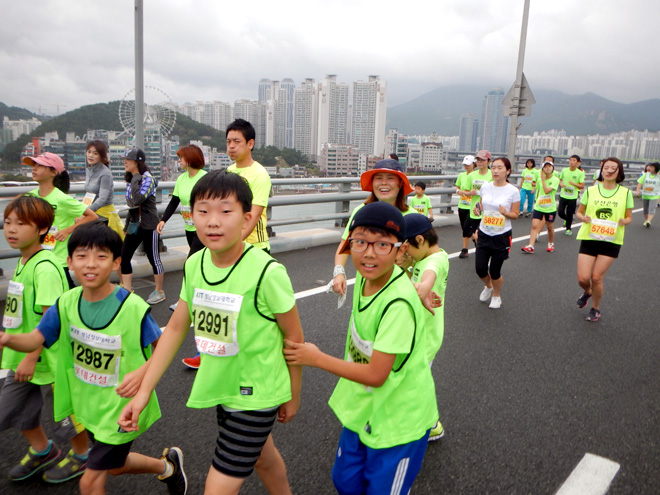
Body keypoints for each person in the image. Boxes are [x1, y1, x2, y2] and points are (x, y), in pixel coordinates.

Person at [118, 170, 304, 495]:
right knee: (263, 457)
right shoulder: (195, 264)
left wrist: (294, 392)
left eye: (225, 211)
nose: (212, 222)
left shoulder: (267, 272)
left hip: (256, 394)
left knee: (218, 485)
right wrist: (145, 389)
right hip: (223, 385)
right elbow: (177, 327)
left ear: (247, 219)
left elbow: (294, 339)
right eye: (202, 211)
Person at [0, 222, 187, 495]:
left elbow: (164, 347)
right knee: (115, 466)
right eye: (82, 256)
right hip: (87, 405)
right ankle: (167, 467)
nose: (90, 264)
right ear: (69, 262)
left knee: (90, 482)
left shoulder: (132, 307)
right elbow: (34, 339)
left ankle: (166, 467)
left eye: (101, 256)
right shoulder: (65, 303)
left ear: (116, 263)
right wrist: (7, 339)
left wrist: (142, 373)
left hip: (121, 408)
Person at [284, 201, 438, 494]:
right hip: (365, 407)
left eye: (382, 244)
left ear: (400, 250)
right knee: (345, 481)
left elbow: (376, 375)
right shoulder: (368, 278)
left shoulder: (397, 304)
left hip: (398, 420)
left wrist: (315, 358)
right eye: (360, 242)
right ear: (349, 245)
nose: (369, 252)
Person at [1, 195, 89, 484]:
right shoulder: (24, 260)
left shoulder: (45, 267)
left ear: (41, 229)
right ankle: (43, 450)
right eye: (7, 222)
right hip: (23, 354)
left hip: (48, 358)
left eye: (20, 223)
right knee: (16, 408)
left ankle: (82, 456)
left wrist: (30, 356)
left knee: (65, 413)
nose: (11, 229)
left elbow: (50, 318)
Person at [181, 119, 271, 369]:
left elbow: (252, 216)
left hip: (253, 248)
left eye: (236, 141)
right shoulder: (228, 173)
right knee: (217, 304)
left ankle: (256, 353)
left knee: (249, 308)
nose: (231, 146)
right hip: (226, 249)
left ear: (250, 144)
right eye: (228, 141)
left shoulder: (259, 174)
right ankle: (208, 351)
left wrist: (228, 248)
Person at [331, 158, 414, 297]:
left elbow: (425, 256)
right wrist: (338, 273)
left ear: (400, 183)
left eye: (390, 178)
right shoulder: (361, 212)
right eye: (379, 178)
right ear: (372, 183)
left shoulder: (413, 217)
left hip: (400, 290)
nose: (383, 183)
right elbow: (345, 245)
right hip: (365, 288)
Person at [401, 213, 448, 442]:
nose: (406, 252)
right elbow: (415, 279)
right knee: (414, 379)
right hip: (416, 332)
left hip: (426, 336)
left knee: (417, 382)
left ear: (420, 240)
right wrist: (407, 268)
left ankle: (431, 425)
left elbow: (428, 278)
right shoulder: (422, 258)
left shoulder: (436, 260)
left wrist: (423, 288)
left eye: (407, 247)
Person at [24, 152, 98, 288]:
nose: (34, 168)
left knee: (64, 292)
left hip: (58, 258)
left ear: (53, 172)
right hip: (37, 255)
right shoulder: (30, 196)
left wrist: (67, 230)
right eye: (34, 165)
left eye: (40, 165)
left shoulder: (62, 199)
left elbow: (92, 216)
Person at [575, 157, 633, 322]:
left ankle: (595, 308)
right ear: (601, 170)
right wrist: (583, 218)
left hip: (611, 240)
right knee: (582, 278)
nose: (608, 171)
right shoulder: (591, 190)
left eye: (613, 168)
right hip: (590, 237)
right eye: (606, 167)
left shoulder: (626, 193)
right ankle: (588, 292)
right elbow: (579, 212)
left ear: (619, 172)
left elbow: (629, 217)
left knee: (596, 277)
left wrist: (623, 221)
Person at [120, 148, 166, 305]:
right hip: (134, 224)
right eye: (125, 159)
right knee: (124, 255)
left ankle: (159, 291)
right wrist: (126, 227)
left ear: (138, 162)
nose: (125, 162)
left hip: (149, 225)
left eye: (128, 159)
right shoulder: (131, 179)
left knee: (153, 257)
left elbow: (138, 199)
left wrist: (135, 178)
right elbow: (131, 205)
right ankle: (127, 290)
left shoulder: (148, 179)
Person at [473, 157, 520, 309]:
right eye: (493, 167)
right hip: (484, 232)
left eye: (500, 168)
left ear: (508, 171)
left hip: (502, 235)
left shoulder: (513, 191)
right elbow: (482, 205)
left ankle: (496, 295)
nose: (495, 171)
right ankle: (489, 286)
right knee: (480, 268)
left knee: (494, 270)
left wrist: (505, 213)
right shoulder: (485, 187)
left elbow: (515, 214)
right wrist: (478, 210)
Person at [157, 144, 208, 256]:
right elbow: (174, 202)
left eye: (181, 157)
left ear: (190, 158)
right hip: (188, 226)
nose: (179, 160)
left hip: (203, 227)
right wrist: (163, 220)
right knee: (200, 259)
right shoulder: (181, 179)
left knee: (192, 259)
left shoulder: (205, 178)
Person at [84, 140, 125, 239]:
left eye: (95, 153)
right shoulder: (89, 170)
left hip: (103, 216)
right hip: (92, 212)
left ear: (101, 156)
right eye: (89, 152)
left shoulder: (105, 173)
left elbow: (102, 198)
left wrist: (85, 211)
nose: (90, 155)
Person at [521, 161, 560, 254]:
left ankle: (550, 243)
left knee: (549, 227)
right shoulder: (539, 180)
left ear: (553, 168)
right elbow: (538, 190)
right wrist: (536, 199)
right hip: (539, 206)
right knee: (534, 225)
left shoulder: (555, 180)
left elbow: (547, 191)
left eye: (549, 166)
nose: (548, 168)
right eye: (545, 167)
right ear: (542, 169)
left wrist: (542, 180)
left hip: (550, 207)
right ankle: (531, 246)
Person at [558, 155, 585, 236]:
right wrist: (561, 184)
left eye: (574, 160)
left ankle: (568, 228)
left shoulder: (580, 173)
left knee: (570, 213)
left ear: (577, 162)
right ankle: (567, 220)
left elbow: (582, 186)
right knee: (560, 212)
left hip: (572, 197)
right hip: (563, 195)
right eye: (570, 160)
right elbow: (559, 179)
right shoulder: (564, 170)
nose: (572, 162)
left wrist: (574, 184)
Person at [455, 155, 476, 259]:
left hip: (472, 206)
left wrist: (469, 193)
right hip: (462, 204)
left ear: (474, 164)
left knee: (467, 228)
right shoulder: (461, 175)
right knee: (464, 227)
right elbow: (457, 186)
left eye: (468, 164)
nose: (466, 166)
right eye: (465, 165)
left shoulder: (476, 175)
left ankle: (465, 249)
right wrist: (458, 191)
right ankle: (475, 241)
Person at [635, 162, 660, 227]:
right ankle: (646, 220)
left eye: (652, 167)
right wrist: (637, 190)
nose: (650, 168)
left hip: (655, 195)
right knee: (645, 209)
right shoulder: (645, 175)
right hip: (645, 194)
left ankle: (649, 220)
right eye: (650, 167)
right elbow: (640, 182)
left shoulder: (658, 176)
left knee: (652, 208)